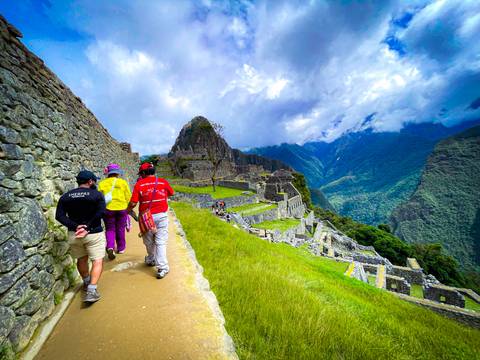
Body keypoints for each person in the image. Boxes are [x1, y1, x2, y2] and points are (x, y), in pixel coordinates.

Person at [55, 170, 106, 303]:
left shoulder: (66, 196)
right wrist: (87, 227)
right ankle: (92, 291)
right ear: (90, 181)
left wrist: (75, 226)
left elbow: (59, 216)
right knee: (97, 261)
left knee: (81, 260)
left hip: (74, 234)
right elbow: (101, 212)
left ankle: (86, 282)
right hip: (93, 233)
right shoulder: (97, 195)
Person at [127, 163, 175, 279]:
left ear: (143, 173)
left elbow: (133, 203)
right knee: (160, 241)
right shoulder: (163, 182)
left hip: (146, 218)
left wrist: (128, 210)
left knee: (148, 240)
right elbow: (171, 193)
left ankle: (151, 258)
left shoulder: (139, 184)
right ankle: (162, 268)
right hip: (162, 216)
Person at [98, 163, 132, 260]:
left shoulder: (102, 184)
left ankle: (110, 247)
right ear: (117, 173)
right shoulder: (123, 182)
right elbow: (128, 197)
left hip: (108, 209)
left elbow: (100, 198)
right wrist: (129, 208)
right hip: (122, 208)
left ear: (108, 173)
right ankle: (121, 248)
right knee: (120, 228)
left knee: (110, 229)